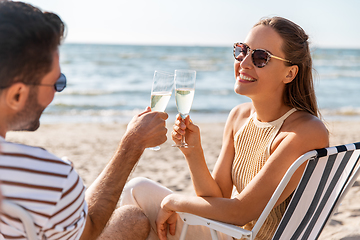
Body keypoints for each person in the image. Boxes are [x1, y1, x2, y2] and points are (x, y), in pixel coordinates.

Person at [120, 16, 329, 240]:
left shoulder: (305, 131)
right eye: (242, 50)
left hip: (240, 234)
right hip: (229, 232)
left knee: (138, 193)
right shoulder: (239, 116)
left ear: (290, 73)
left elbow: (240, 212)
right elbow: (217, 197)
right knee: (138, 196)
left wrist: (174, 202)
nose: (244, 62)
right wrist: (193, 152)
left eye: (260, 57)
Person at [0, 1, 169, 239]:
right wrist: (133, 143)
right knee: (131, 219)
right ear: (17, 95)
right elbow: (88, 232)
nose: (57, 92)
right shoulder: (48, 177)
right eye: (57, 83)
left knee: (130, 219)